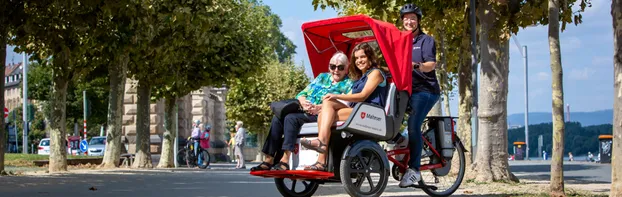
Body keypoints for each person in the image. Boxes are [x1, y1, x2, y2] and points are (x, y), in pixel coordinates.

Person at [250, 51, 353, 171]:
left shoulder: (349, 83)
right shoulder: (322, 77)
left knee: (291, 118)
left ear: (346, 68)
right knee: (278, 117)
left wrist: (319, 107)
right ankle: (269, 158)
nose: (336, 70)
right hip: (304, 109)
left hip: (321, 114)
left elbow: (346, 104)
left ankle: (285, 159)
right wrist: (303, 102)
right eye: (332, 66)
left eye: (340, 67)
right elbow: (301, 94)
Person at [301, 43, 388, 171]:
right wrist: (320, 105)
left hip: (371, 112)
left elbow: (362, 96)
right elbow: (346, 96)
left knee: (327, 111)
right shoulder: (360, 79)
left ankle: (321, 152)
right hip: (358, 110)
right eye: (356, 58)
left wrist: (336, 96)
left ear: (370, 57)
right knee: (325, 108)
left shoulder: (376, 73)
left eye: (362, 57)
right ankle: (321, 157)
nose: (359, 61)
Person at [397, 3, 442, 187]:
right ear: (402, 21)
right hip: (405, 90)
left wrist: (416, 65)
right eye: (406, 18)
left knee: (414, 125)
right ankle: (402, 153)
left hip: (425, 90)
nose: (409, 21)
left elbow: (431, 64)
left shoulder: (426, 41)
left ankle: (414, 170)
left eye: (413, 18)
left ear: (418, 21)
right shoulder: (399, 41)